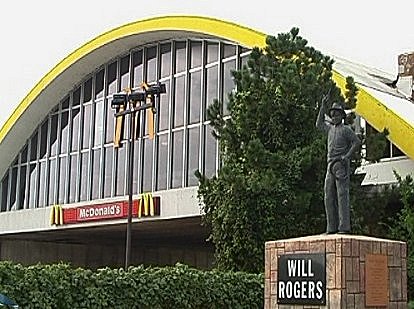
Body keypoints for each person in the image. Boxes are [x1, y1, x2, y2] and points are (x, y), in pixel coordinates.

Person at [316, 95, 360, 234]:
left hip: (340, 165)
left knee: (342, 196)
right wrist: (322, 106)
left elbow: (356, 142)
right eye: (332, 114)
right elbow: (318, 124)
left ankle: (344, 227)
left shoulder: (346, 129)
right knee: (328, 196)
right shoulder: (330, 129)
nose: (334, 116)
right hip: (330, 165)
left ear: (342, 115)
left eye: (336, 113)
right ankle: (331, 227)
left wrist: (346, 156)